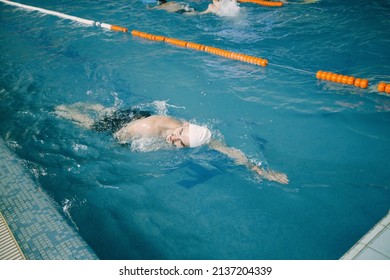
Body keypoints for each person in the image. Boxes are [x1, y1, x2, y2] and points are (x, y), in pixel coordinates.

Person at [55, 102, 289, 184]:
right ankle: (62, 111)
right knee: (96, 125)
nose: (174, 140)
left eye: (181, 144)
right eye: (178, 135)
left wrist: (259, 170)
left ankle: (99, 110)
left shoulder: (194, 132)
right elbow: (119, 137)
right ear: (184, 126)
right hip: (133, 125)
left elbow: (228, 150)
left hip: (142, 115)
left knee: (109, 112)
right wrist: (115, 147)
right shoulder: (150, 128)